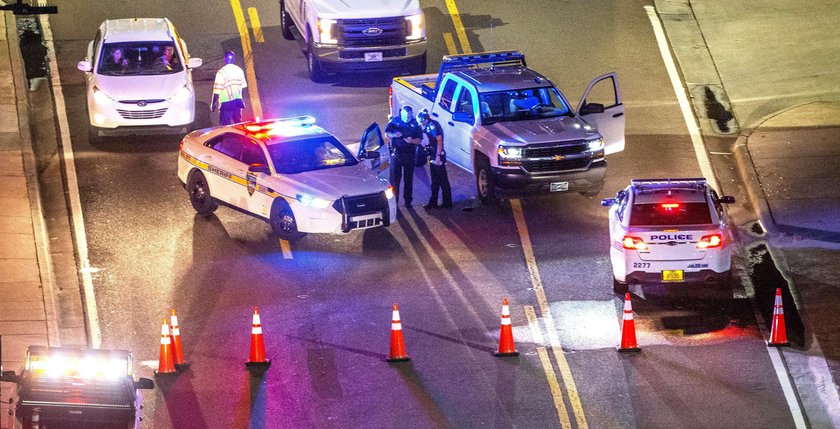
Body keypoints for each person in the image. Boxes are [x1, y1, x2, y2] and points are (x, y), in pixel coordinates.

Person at [385, 105, 423, 207]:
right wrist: (394, 135)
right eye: (405, 116)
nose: (407, 118)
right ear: (401, 113)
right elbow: (386, 133)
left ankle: (408, 201)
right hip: (396, 154)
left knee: (408, 179)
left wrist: (412, 141)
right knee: (394, 180)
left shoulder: (415, 124)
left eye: (409, 116)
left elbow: (419, 139)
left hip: (409, 155)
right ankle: (394, 202)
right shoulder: (395, 121)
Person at [417, 109, 452, 209]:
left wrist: (437, 156)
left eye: (421, 121)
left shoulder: (433, 125)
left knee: (443, 180)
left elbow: (439, 141)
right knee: (435, 181)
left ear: (425, 119)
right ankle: (433, 202)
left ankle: (447, 203)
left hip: (437, 156)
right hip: (433, 155)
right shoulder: (427, 126)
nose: (421, 124)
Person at [211, 51, 248, 125]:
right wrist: (241, 99)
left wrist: (213, 104)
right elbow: (243, 87)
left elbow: (217, 91)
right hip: (237, 102)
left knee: (225, 126)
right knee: (238, 124)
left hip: (226, 103)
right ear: (234, 59)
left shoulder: (221, 72)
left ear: (224, 59)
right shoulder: (239, 70)